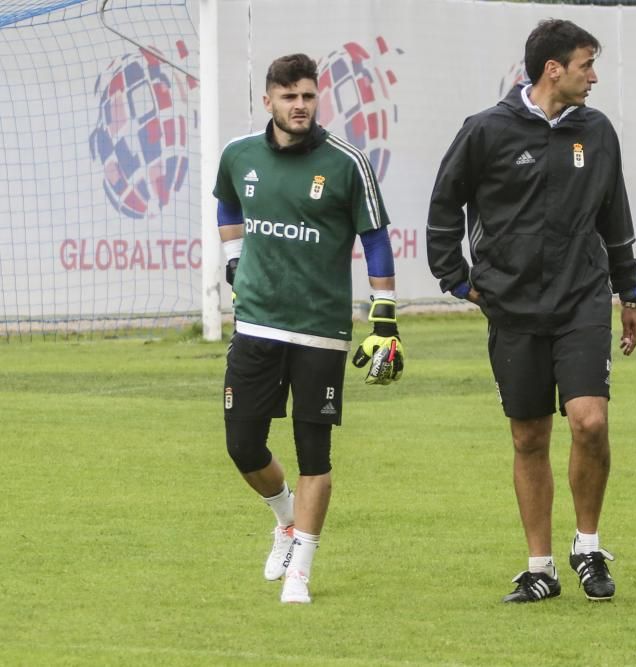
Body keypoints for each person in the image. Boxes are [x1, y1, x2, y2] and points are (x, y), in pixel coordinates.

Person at [426, 19, 636, 603]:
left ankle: (589, 547)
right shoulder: (486, 131)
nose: (593, 76)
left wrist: (630, 291)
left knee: (589, 422)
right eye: (585, 64)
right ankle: (540, 567)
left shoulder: (597, 132)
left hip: (582, 301)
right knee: (528, 437)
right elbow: (444, 201)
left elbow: (614, 215)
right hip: (513, 308)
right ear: (554, 69)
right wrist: (455, 278)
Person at [214, 53, 404, 605]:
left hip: (320, 330)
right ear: (268, 100)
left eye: (308, 96)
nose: (300, 105)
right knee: (243, 444)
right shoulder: (238, 155)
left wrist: (384, 313)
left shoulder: (346, 163)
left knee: (313, 452)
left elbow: (375, 239)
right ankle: (285, 522)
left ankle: (301, 569)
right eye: (289, 96)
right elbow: (228, 199)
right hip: (256, 325)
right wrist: (233, 260)